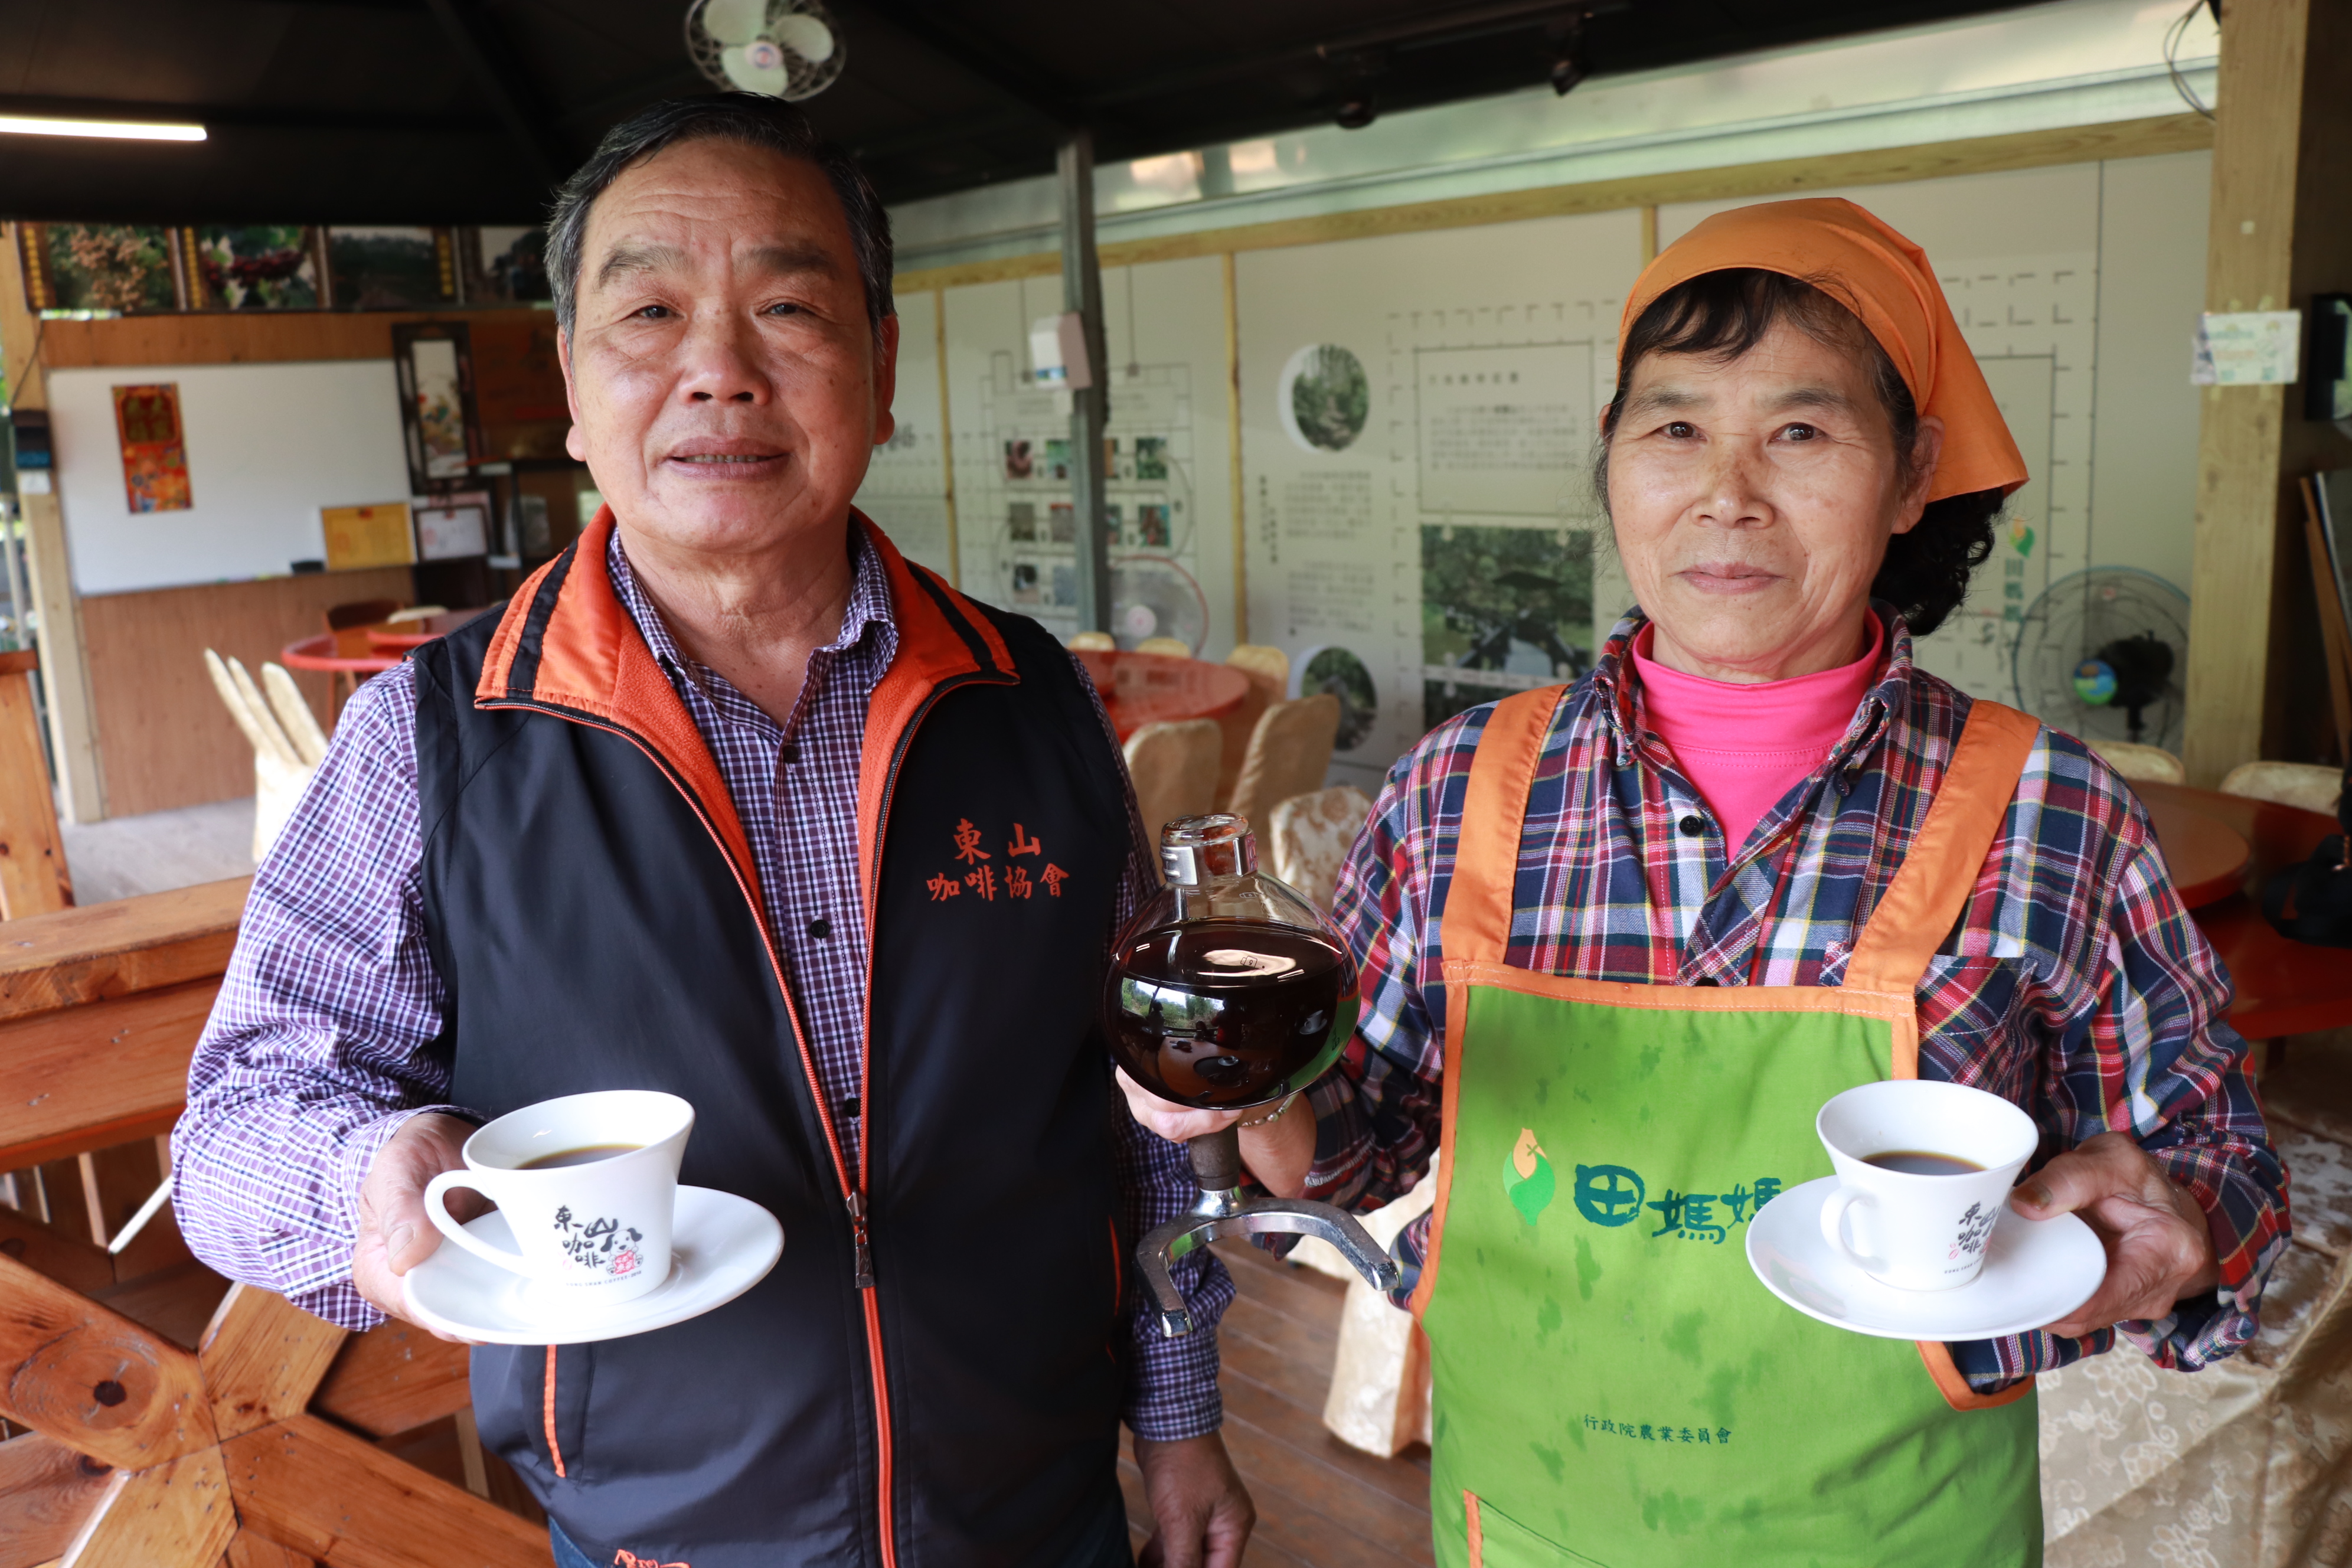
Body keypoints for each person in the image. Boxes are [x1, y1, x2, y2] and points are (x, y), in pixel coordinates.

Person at [174, 95, 1255, 1568]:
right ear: (573, 380)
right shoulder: (431, 738)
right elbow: (233, 1127)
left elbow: (1149, 1107)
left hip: (1039, 1514)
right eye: (651, 312)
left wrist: (1180, 1414)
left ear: (881, 367)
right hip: (660, 1538)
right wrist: (363, 1167)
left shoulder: (1035, 701)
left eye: (789, 308)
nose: (720, 370)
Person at [1123, 198, 2288, 1564]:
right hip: (1534, 1526)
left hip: (1906, 1535)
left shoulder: (2051, 808)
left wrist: (2181, 1224)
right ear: (1613, 454)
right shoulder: (1457, 789)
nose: (1727, 491)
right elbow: (1355, 1141)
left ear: (1912, 473)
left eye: (1800, 431)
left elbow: (2217, 1155)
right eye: (1674, 425)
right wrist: (1241, 1090)